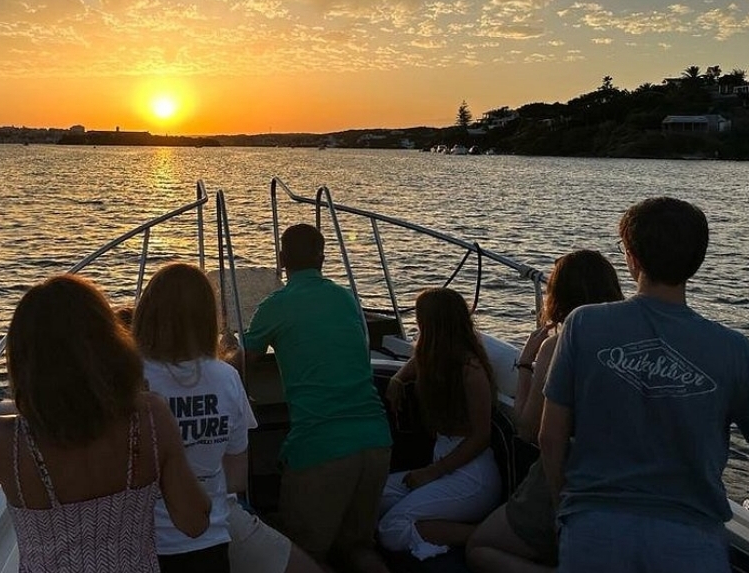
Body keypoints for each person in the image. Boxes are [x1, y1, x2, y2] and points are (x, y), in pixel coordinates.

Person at [539, 197, 749, 573]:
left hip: (594, 529)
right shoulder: (733, 350)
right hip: (690, 540)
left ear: (631, 256)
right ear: (697, 260)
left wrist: (565, 510)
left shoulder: (583, 325)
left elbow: (550, 439)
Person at [0, 274, 211, 573]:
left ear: (26, 359)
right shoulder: (151, 416)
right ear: (111, 343)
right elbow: (195, 522)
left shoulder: (5, 441)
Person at [133, 261, 322, 573]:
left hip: (143, 541)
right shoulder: (226, 378)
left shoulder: (127, 378)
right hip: (211, 537)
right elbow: (235, 479)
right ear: (208, 317)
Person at [242, 223, 392, 573]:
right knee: (359, 548)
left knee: (304, 556)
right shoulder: (347, 298)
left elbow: (242, 366)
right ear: (323, 259)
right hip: (376, 441)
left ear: (281, 260)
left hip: (321, 448)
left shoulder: (275, 306)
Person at [466, 250, 623, 573]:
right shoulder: (632, 346)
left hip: (568, 481)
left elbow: (528, 429)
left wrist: (526, 364)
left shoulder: (558, 346)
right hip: (620, 482)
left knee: (480, 547)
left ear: (559, 295)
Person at [378, 287, 502, 560]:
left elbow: (481, 437)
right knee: (374, 498)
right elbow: (415, 361)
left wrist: (433, 472)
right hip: (444, 463)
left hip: (471, 475)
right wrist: (398, 379)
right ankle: (431, 527)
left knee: (390, 529)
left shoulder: (471, 371)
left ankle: (486, 535)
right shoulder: (435, 358)